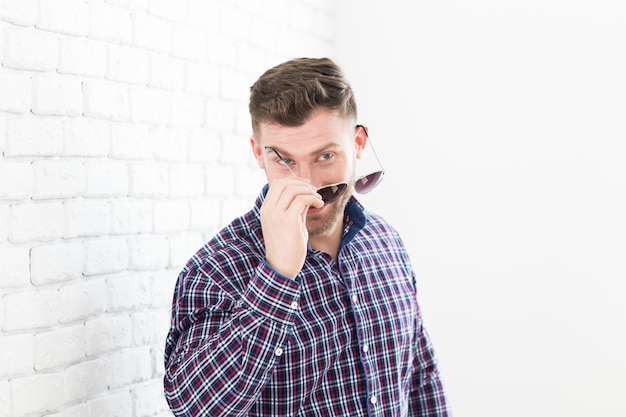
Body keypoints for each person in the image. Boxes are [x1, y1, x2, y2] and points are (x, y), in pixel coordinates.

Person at [163, 57, 450, 416]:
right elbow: (193, 406)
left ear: (358, 144)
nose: (309, 185)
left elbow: (420, 378)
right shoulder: (216, 269)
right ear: (258, 153)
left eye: (325, 156)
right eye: (285, 161)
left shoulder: (385, 242)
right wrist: (277, 275)